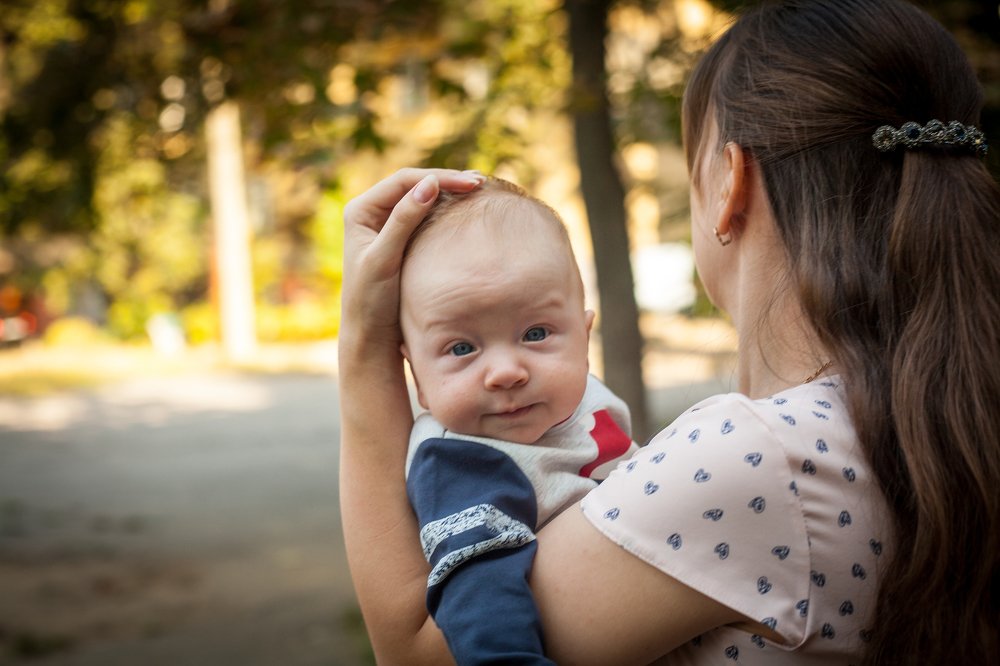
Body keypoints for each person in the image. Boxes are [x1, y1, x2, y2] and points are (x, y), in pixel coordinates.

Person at [338, 1, 1000, 664]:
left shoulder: (758, 455)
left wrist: (365, 349)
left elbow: (417, 653)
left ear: (730, 182)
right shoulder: (933, 413)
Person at [399, 177, 638, 664]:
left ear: (583, 338)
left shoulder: (577, 395)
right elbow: (479, 596)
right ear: (418, 378)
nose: (506, 372)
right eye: (461, 348)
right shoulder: (460, 463)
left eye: (535, 333)